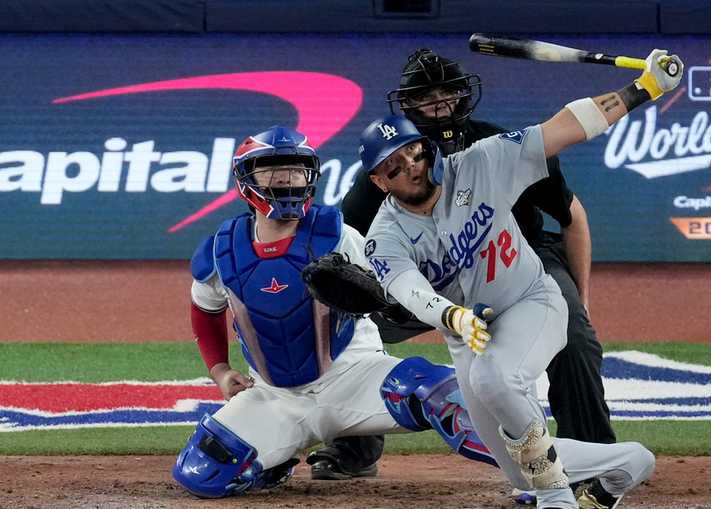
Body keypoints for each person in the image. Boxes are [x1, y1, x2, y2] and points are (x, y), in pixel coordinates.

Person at [359, 49, 683, 508]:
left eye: (411, 153)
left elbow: (564, 126)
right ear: (379, 181)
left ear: (424, 148)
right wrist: (450, 315)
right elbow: (408, 290)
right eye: (393, 166)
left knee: (497, 381)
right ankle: (629, 464)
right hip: (467, 336)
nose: (409, 166)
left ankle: (558, 499)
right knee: (516, 466)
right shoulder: (384, 235)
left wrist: (643, 89)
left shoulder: (482, 161)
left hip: (531, 301)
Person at [171, 126, 499, 498]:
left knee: (443, 395)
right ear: (247, 179)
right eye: (273, 169)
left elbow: (395, 292)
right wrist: (220, 371)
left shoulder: (340, 235)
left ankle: (541, 472)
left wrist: (381, 300)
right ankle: (275, 458)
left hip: (354, 377)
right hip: (275, 397)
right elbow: (204, 310)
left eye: (297, 169)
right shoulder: (222, 250)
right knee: (201, 473)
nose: (287, 178)